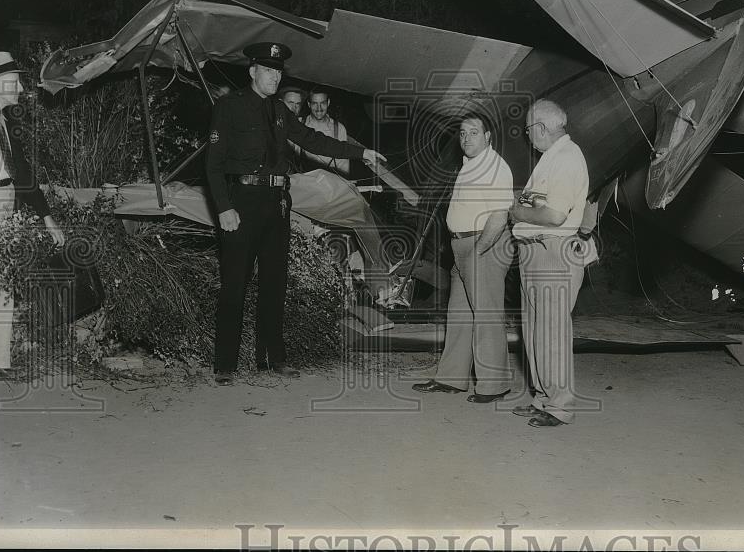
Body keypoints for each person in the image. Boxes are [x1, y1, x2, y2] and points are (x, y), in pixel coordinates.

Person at [205, 43, 385, 385]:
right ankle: (224, 364)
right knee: (235, 285)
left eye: (279, 71)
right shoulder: (229, 107)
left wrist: (361, 152)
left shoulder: (280, 112)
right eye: (269, 70)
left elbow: (315, 140)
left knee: (274, 284)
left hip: (277, 204)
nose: (276, 76)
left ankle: (273, 359)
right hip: (241, 201)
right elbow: (212, 165)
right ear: (252, 72)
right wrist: (224, 208)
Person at [413, 113, 514, 402]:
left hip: (484, 244)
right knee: (459, 314)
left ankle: (495, 385)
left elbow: (498, 216)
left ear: (488, 137)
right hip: (462, 246)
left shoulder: (495, 168)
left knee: (486, 315)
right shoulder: (470, 165)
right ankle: (452, 379)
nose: (466, 138)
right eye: (462, 133)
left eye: (473, 132)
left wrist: (480, 250)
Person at [0, 52, 65, 375]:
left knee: (1, 282)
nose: (19, 89)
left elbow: (23, 172)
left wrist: (46, 216)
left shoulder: (4, 120)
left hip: (5, 199)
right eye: (14, 81)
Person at [509, 99, 589, 427]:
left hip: (553, 251)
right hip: (533, 251)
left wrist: (519, 212)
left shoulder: (568, 158)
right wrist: (525, 208)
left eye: (529, 130)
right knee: (534, 331)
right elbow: (528, 200)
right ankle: (543, 397)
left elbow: (553, 215)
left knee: (552, 331)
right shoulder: (547, 160)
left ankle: (560, 406)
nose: (528, 137)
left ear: (541, 128)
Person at [302, 89, 350, 177]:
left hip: (330, 183)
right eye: (314, 103)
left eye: (322, 103)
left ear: (328, 103)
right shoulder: (300, 124)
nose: (319, 108)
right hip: (305, 183)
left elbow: (343, 164)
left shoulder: (339, 128)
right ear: (309, 104)